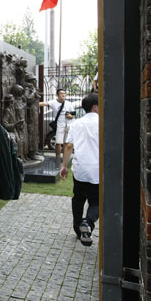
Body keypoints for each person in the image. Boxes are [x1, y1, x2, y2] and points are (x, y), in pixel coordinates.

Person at [60, 93, 99, 246]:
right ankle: (88, 222)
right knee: (96, 202)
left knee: (78, 198)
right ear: (95, 107)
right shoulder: (103, 122)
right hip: (97, 170)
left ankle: (78, 228)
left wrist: (64, 165)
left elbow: (69, 146)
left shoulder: (76, 123)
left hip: (80, 168)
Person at [39, 88, 76, 159]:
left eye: (64, 94)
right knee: (58, 142)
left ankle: (65, 158)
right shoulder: (53, 102)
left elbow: (73, 114)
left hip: (68, 125)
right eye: (61, 94)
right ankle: (58, 158)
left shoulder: (68, 104)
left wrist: (70, 116)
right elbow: (44, 103)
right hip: (59, 125)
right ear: (57, 95)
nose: (63, 95)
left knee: (66, 143)